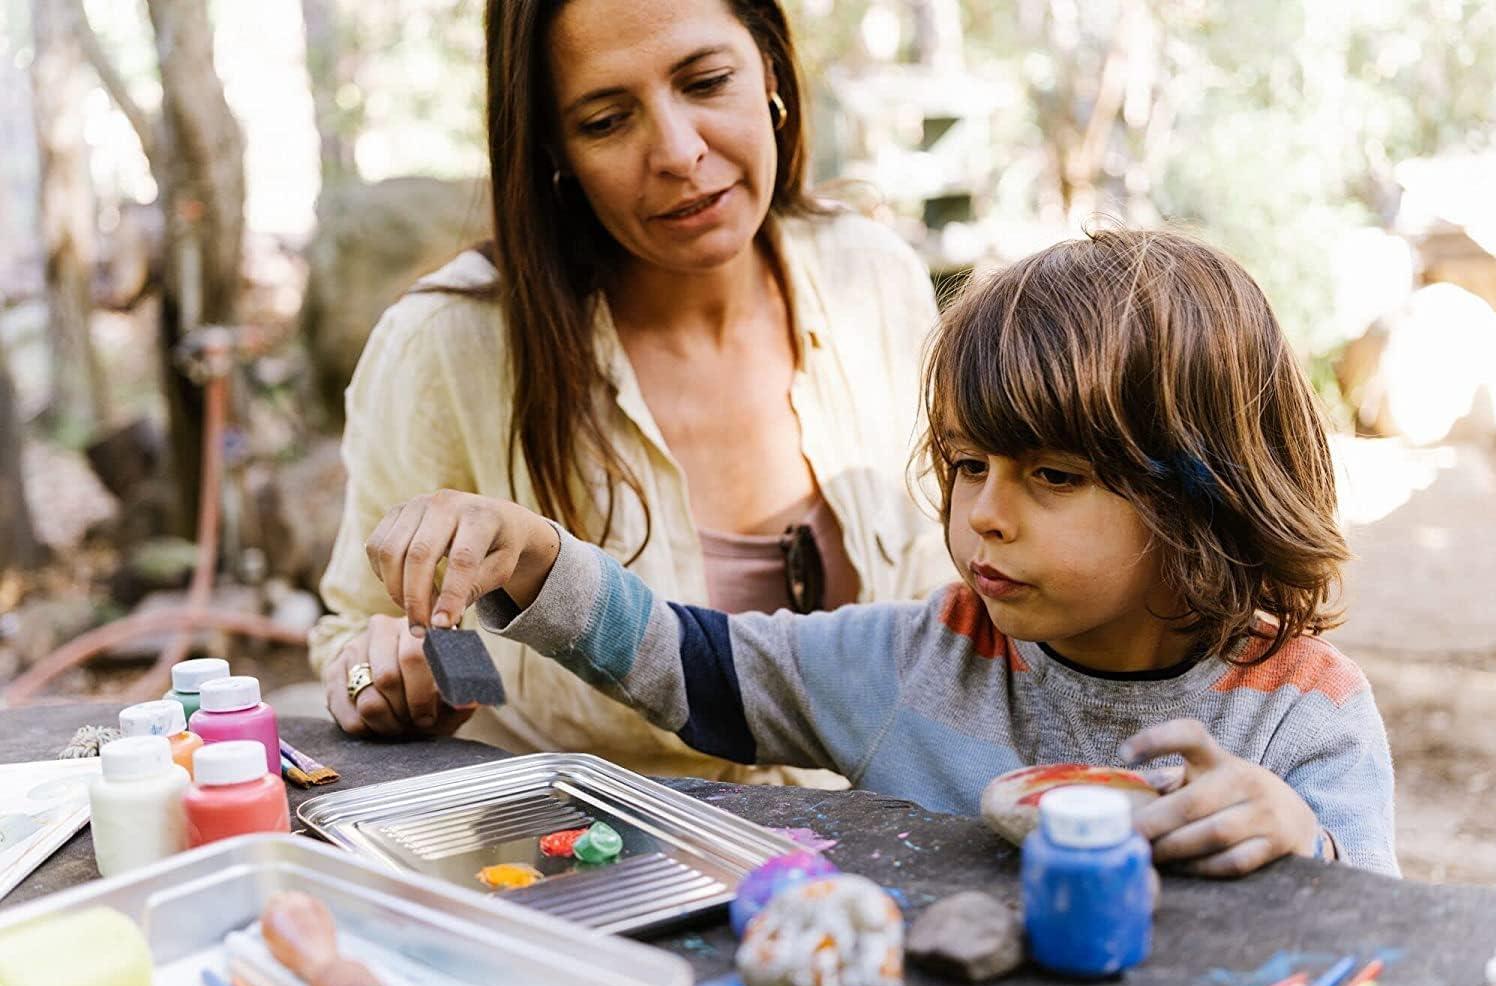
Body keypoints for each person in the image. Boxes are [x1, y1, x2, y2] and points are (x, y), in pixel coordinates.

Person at [362, 228, 1400, 878]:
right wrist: (537, 560)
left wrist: (1300, 844)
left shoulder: (1303, 713)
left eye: (1052, 477)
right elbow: (700, 669)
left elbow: (1387, 955)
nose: (984, 515)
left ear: (1203, 495)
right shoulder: (927, 659)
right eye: (965, 464)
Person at [309, 0, 952, 783]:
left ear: (772, 69)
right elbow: (359, 629)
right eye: (608, 121)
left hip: (864, 872)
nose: (679, 153)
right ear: (555, 150)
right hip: (585, 876)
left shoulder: (874, 278)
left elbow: (950, 604)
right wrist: (385, 676)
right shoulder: (446, 347)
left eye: (708, 81)